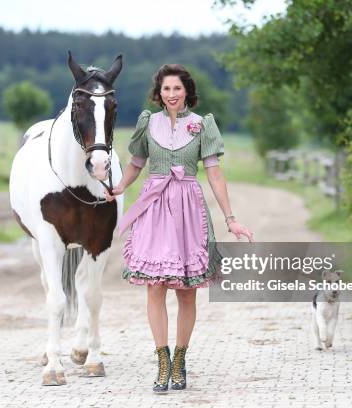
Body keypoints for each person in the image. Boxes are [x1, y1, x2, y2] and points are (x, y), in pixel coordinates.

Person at [104, 64, 253, 393]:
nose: (171, 95)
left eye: (177, 89)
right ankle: (162, 361)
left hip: (188, 209)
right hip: (154, 208)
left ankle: (180, 360)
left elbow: (215, 174)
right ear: (158, 93)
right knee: (155, 287)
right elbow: (136, 164)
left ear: (187, 91)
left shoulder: (202, 126)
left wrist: (231, 219)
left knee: (186, 291)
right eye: (166, 89)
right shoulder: (148, 122)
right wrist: (118, 187)